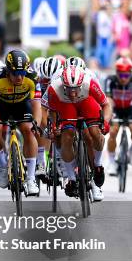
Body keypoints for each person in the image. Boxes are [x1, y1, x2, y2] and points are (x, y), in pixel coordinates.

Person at [46, 66, 112, 201]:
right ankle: (71, 178)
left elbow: (106, 105)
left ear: (81, 84)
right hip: (66, 106)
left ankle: (98, 165)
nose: (73, 93)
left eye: (75, 89)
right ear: (63, 85)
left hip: (86, 102)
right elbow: (51, 111)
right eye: (69, 89)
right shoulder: (54, 88)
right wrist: (55, 126)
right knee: (67, 136)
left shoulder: (90, 83)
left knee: (94, 132)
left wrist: (105, 121)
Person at [0, 49, 41, 196]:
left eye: (22, 73)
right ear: (8, 70)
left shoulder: (33, 77)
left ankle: (30, 178)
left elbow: (36, 105)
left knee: (29, 129)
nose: (20, 78)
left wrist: (37, 123)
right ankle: (3, 166)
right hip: (1, 105)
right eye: (16, 74)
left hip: (22, 105)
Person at [105, 57, 132, 172]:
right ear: (116, 73)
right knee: (113, 131)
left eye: (126, 75)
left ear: (131, 74)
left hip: (130, 108)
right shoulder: (110, 80)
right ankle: (112, 162)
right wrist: (110, 115)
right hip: (115, 108)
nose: (123, 79)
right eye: (121, 75)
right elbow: (108, 99)